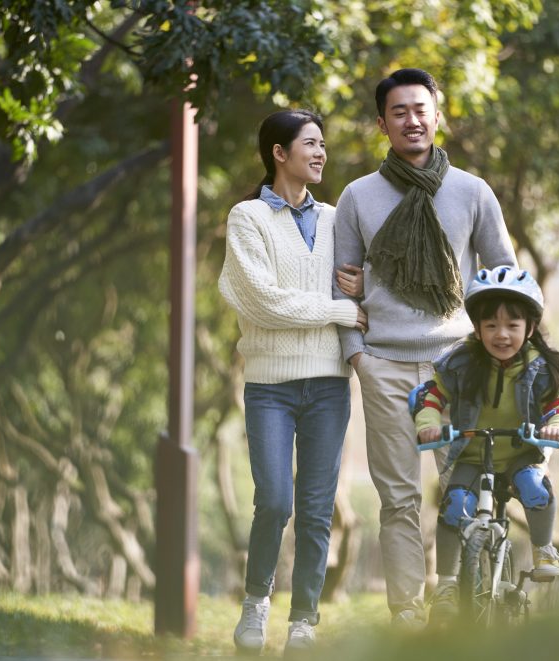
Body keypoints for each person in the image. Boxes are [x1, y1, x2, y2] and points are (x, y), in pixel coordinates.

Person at [333, 68, 517, 629]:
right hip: (383, 362)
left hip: (455, 364)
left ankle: (457, 595)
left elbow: (504, 275)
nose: (411, 120)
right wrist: (357, 355)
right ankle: (407, 613)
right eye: (398, 112)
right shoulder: (358, 196)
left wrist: (499, 351)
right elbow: (338, 287)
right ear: (382, 123)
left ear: (438, 114)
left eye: (420, 109)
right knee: (399, 499)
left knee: (460, 488)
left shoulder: (472, 191)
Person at [219, 109, 367, 655]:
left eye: (323, 144)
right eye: (311, 143)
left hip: (329, 383)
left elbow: (361, 283)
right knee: (275, 501)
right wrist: (338, 310)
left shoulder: (336, 218)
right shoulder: (248, 218)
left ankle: (303, 621)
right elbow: (261, 302)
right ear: (279, 153)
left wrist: (358, 289)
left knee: (316, 507)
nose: (322, 152)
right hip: (270, 386)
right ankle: (256, 605)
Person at [410, 265, 559, 622]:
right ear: (477, 328)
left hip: (520, 455)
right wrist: (427, 425)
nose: (501, 335)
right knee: (454, 505)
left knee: (536, 487)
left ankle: (543, 547)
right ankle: (447, 583)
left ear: (530, 328)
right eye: (491, 326)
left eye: (512, 326)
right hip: (472, 455)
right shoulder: (461, 362)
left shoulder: (542, 369)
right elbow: (428, 397)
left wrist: (557, 427)